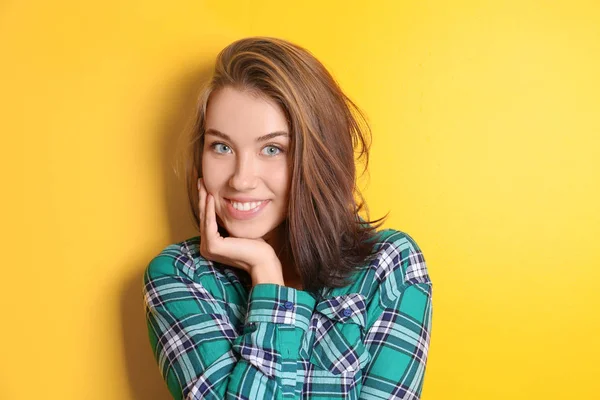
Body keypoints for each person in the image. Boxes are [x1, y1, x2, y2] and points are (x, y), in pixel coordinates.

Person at [143, 36, 433, 400]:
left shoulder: (390, 269)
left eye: (272, 149)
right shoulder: (179, 278)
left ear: (319, 156)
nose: (241, 179)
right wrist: (267, 274)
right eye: (222, 146)